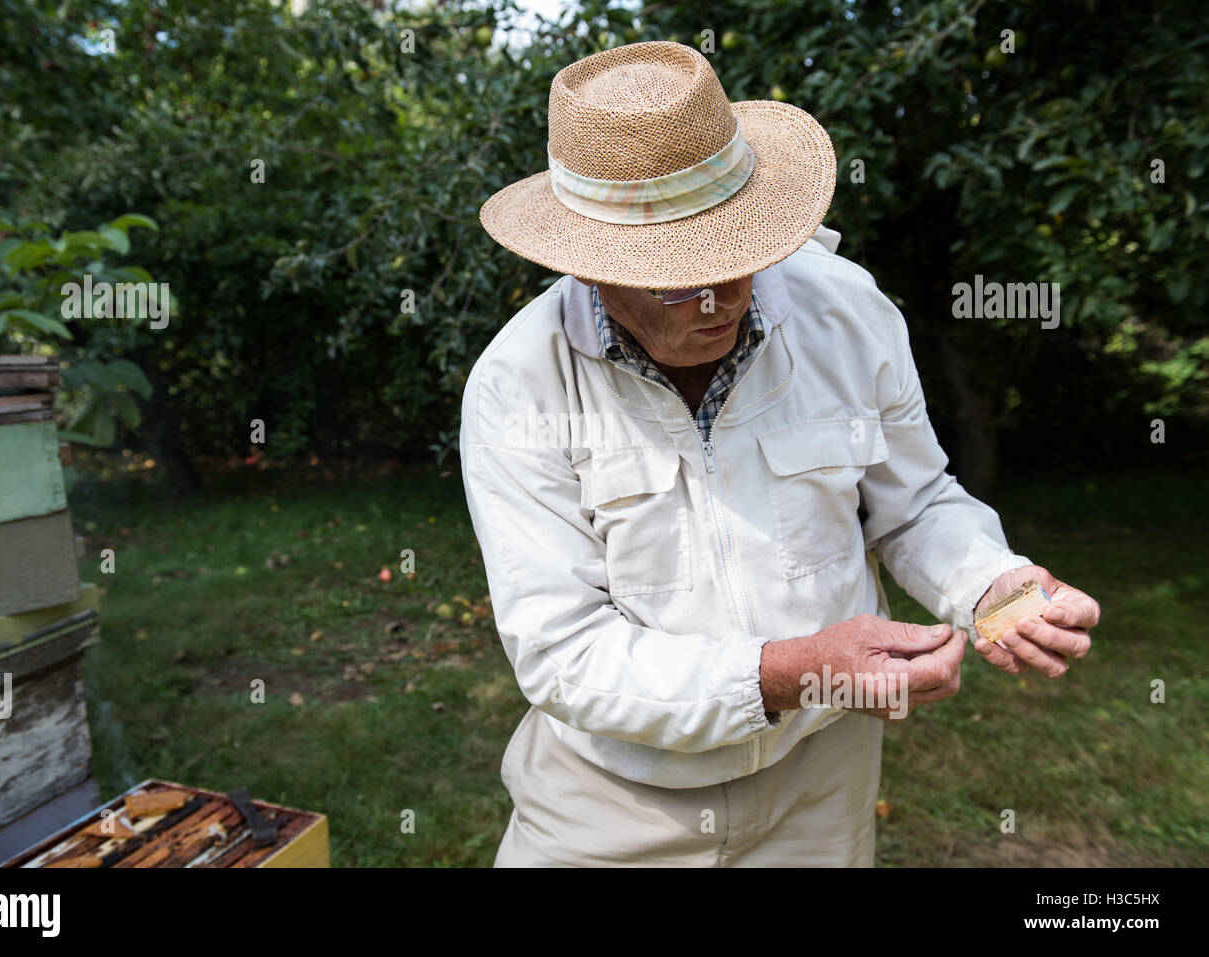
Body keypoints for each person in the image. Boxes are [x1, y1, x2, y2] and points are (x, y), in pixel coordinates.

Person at [460, 41, 1099, 867]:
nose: (720, 298)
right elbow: (564, 652)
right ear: (593, 267)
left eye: (737, 254)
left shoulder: (848, 309)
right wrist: (794, 668)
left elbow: (915, 504)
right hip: (609, 799)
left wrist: (992, 582)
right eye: (674, 278)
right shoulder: (518, 385)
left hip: (819, 779)